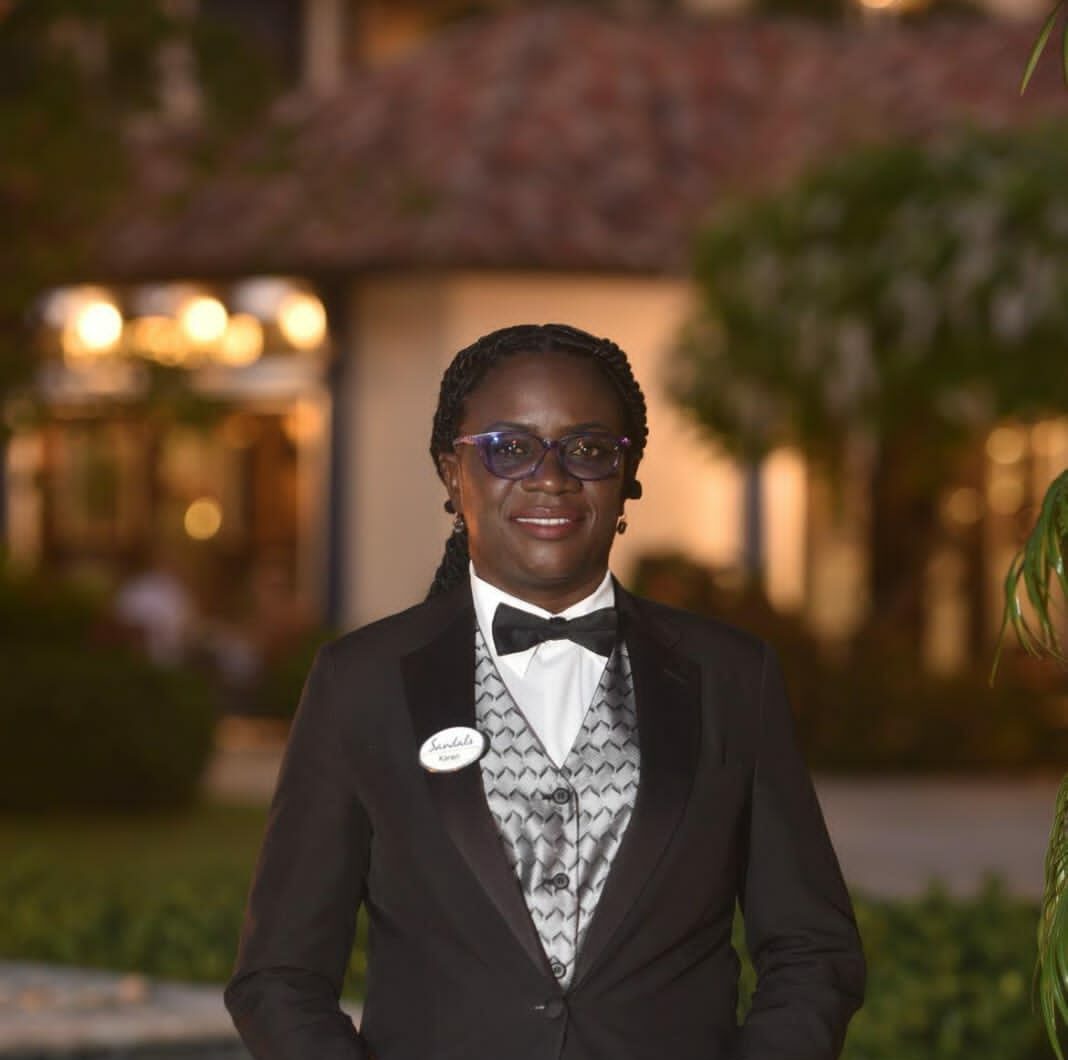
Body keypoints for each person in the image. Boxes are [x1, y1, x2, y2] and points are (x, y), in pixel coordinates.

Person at [223, 323, 865, 1060]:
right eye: (510, 447)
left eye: (586, 450)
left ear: (627, 476)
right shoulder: (361, 682)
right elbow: (278, 977)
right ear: (452, 473)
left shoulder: (731, 677)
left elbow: (814, 951)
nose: (551, 477)